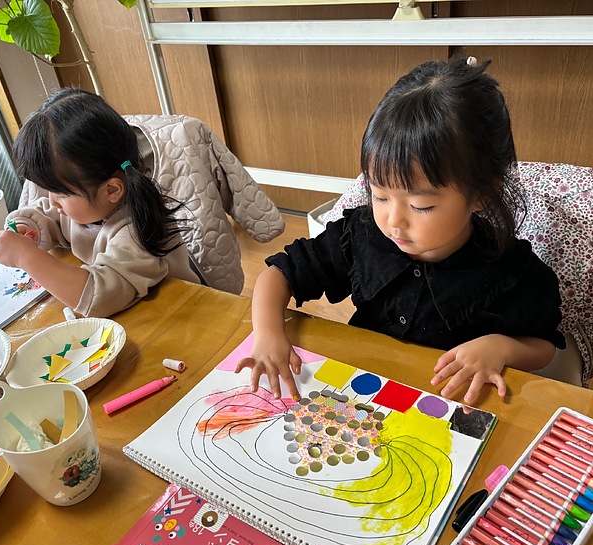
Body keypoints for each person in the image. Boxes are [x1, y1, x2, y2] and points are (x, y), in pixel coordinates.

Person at [235, 56, 565, 405]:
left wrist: (501, 347)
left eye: (421, 206)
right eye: (379, 195)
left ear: (480, 194)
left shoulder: (513, 272)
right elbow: (279, 273)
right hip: (365, 392)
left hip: (449, 404)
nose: (394, 220)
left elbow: (544, 347)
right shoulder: (362, 234)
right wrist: (268, 333)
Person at [0, 88, 199, 317]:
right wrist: (27, 228)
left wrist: (26, 257)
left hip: (177, 316)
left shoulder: (136, 229)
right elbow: (47, 215)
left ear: (112, 190)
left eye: (61, 194)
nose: (52, 201)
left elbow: (98, 296)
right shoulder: (89, 205)